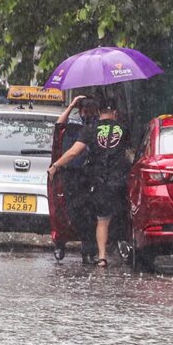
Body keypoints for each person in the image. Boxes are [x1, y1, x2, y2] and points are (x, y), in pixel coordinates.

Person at [48, 98, 131, 268]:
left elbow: (72, 152)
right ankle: (119, 249)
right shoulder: (124, 130)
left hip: (98, 180)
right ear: (115, 113)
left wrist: (56, 165)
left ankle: (101, 257)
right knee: (117, 217)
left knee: (101, 219)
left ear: (99, 112)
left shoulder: (90, 130)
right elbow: (129, 153)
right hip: (118, 181)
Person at [54, 95, 101, 264]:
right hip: (71, 175)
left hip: (91, 177)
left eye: (91, 111)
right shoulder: (73, 126)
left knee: (90, 215)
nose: (88, 114)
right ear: (80, 111)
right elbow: (59, 126)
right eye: (85, 111)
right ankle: (64, 242)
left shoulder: (98, 128)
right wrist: (71, 105)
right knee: (72, 213)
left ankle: (89, 250)